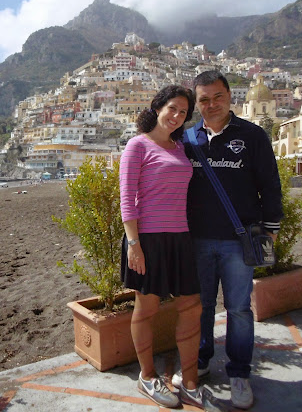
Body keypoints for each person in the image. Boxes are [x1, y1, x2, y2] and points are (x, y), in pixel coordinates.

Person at [174, 70, 282, 410]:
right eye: (203, 100)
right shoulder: (188, 139)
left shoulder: (252, 136)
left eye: (217, 97)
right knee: (201, 307)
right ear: (197, 104)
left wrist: (271, 230)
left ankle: (239, 373)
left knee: (238, 310)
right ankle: (202, 360)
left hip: (239, 242)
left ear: (230, 96)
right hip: (198, 242)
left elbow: (271, 186)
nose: (211, 104)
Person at [120, 85, 221, 410]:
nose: (177, 116)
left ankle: (190, 383)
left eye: (183, 112)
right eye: (172, 109)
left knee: (192, 307)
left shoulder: (179, 148)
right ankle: (147, 376)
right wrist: (134, 245)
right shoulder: (137, 145)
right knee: (146, 309)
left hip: (180, 239)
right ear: (158, 107)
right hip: (147, 239)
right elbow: (127, 200)